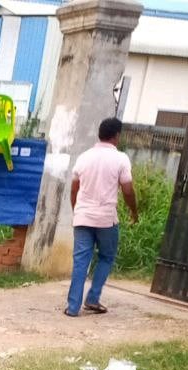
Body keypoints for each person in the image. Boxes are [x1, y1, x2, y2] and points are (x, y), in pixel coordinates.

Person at [65, 117, 138, 317]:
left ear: (100, 134)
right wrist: (134, 211)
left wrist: (77, 211)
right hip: (106, 219)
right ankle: (93, 298)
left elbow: (74, 189)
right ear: (117, 135)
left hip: (82, 216)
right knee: (106, 257)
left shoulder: (84, 157)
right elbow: (128, 190)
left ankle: (72, 307)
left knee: (81, 261)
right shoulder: (121, 158)